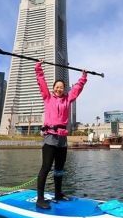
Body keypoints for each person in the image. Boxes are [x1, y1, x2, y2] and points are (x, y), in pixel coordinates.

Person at [35, 60, 88, 209]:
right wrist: (39, 68)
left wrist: (83, 77)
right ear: (53, 89)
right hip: (50, 138)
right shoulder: (48, 98)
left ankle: (58, 193)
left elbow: (77, 89)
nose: (59, 89)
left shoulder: (67, 99)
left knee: (59, 168)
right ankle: (40, 198)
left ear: (64, 89)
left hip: (62, 140)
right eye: (57, 87)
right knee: (45, 168)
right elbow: (42, 82)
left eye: (61, 87)